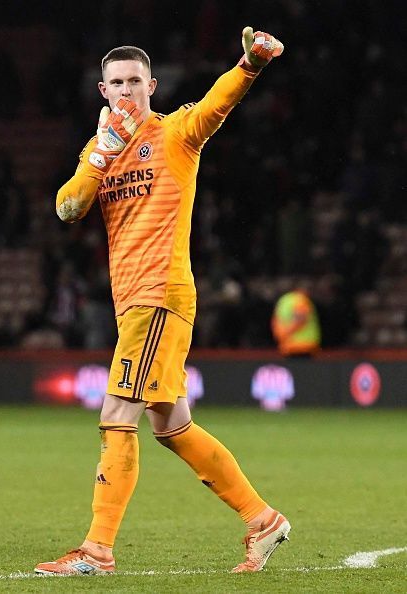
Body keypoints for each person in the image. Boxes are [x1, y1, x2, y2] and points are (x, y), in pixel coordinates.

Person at [35, 26, 290, 576]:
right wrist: (102, 152)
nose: (126, 91)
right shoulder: (97, 151)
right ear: (103, 92)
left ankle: (97, 551)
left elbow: (216, 107)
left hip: (160, 294)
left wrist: (248, 65)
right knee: (171, 426)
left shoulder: (174, 133)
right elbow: (67, 208)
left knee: (115, 415)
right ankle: (263, 520)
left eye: (135, 81)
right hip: (132, 300)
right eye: (116, 84)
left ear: (152, 85)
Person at [271, 287, 321, 357]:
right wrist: (286, 332)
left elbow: (275, 321)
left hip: (288, 345)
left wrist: (279, 335)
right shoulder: (300, 299)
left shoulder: (283, 300)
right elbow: (300, 319)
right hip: (303, 346)